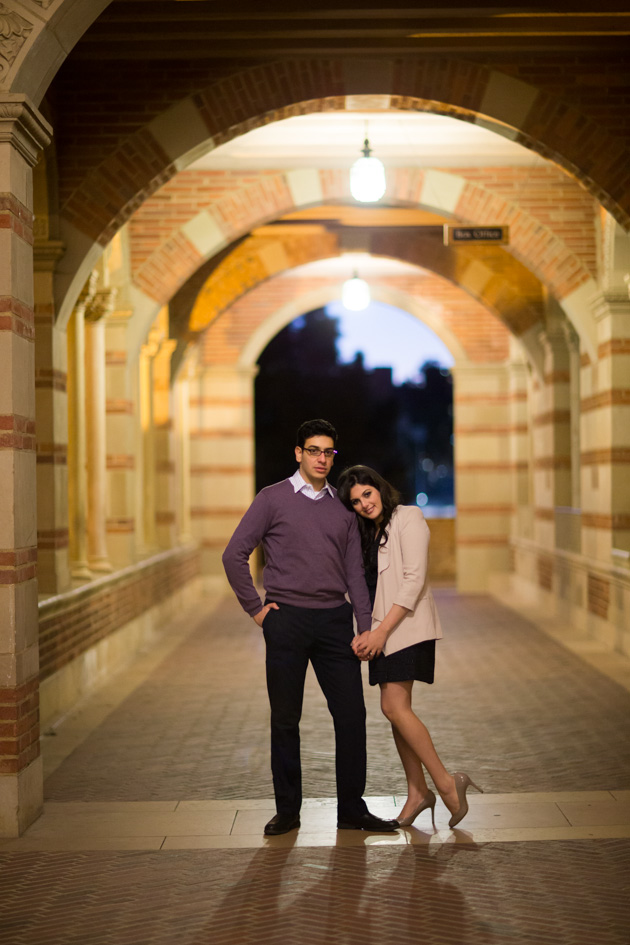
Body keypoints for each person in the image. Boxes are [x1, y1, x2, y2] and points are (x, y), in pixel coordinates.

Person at [222, 421, 397, 836]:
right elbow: (234, 555)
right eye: (314, 451)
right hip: (287, 621)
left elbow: (355, 571)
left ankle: (352, 810)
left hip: (336, 622)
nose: (322, 459)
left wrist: (365, 626)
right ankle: (288, 812)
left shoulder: (342, 506)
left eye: (329, 452)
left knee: (352, 716)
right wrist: (258, 611)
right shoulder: (272, 499)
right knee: (285, 719)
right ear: (298, 452)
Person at [337, 465, 482, 829]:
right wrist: (366, 630)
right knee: (393, 710)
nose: (363, 504)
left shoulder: (408, 517)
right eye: (355, 501)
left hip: (406, 629)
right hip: (382, 634)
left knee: (394, 706)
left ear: (380, 489)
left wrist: (381, 632)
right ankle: (418, 792)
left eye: (367, 494)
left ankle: (448, 785)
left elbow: (413, 579)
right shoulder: (369, 532)